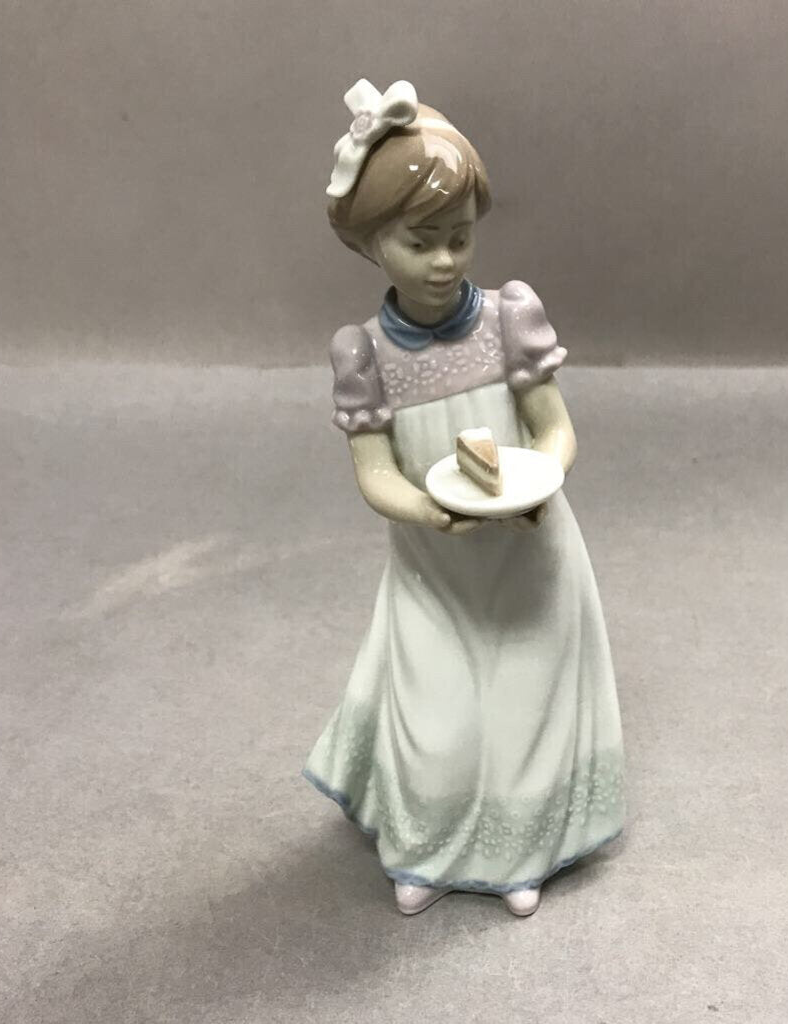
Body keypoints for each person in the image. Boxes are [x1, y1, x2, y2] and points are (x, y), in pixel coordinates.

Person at [303, 79, 625, 917]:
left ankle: (520, 855)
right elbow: (376, 473)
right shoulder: (364, 355)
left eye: (459, 237)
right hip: (433, 570)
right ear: (371, 243)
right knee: (435, 721)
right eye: (420, 242)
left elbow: (555, 430)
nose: (445, 260)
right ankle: (426, 848)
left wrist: (539, 479)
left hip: (528, 550)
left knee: (524, 711)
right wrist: (429, 511)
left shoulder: (509, 319)